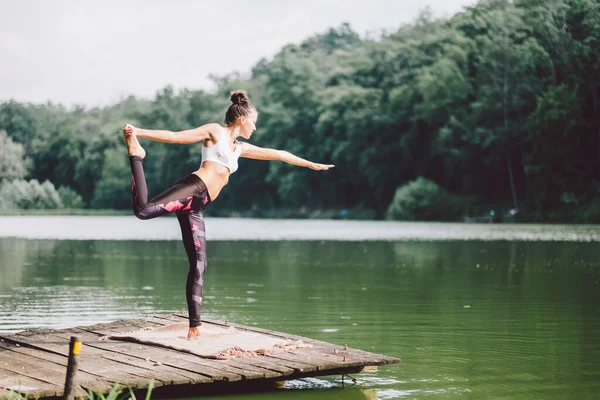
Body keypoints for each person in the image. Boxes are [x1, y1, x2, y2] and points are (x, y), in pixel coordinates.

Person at [122, 90, 334, 339]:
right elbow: (176, 137)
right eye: (254, 121)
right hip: (192, 188)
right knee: (144, 210)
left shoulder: (240, 149)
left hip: (198, 206)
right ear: (243, 119)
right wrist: (138, 132)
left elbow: (280, 154)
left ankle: (194, 328)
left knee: (200, 265)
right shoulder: (215, 132)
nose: (255, 127)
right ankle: (136, 154)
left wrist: (311, 164)